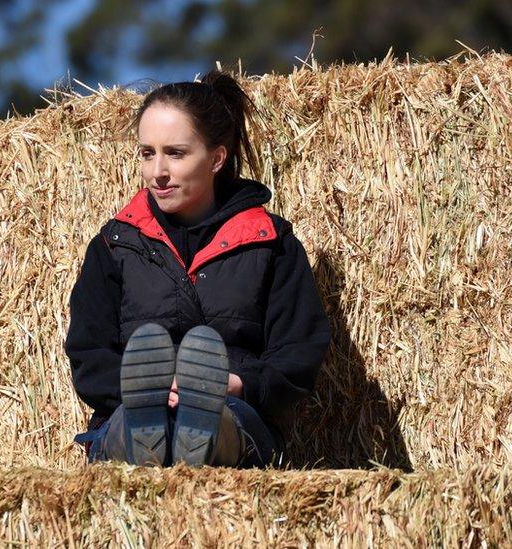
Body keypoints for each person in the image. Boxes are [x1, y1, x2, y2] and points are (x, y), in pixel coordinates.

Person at [64, 68, 331, 467]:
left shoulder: (271, 243)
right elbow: (89, 353)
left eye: (175, 153)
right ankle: (143, 434)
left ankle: (202, 435)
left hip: (235, 409)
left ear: (217, 158)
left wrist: (237, 385)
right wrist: (152, 387)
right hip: (128, 406)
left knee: (222, 421)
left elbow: (298, 353)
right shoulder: (114, 245)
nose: (158, 172)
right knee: (130, 423)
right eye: (147, 153)